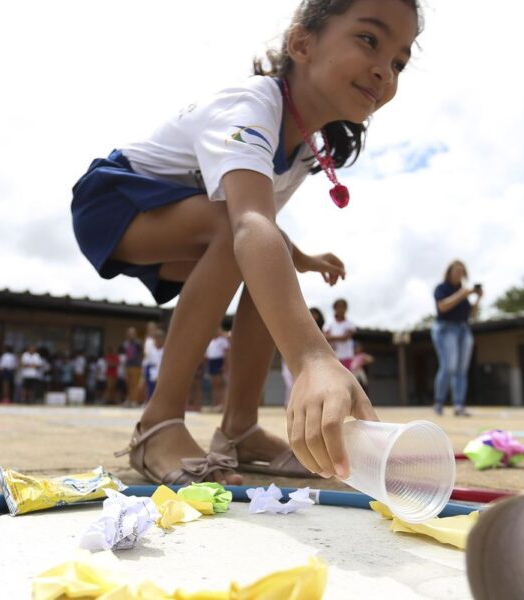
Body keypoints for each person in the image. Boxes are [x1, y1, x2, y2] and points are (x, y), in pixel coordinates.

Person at [70, 0, 419, 484]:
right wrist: (314, 359)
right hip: (114, 202)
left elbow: (257, 221)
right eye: (368, 40)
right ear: (302, 43)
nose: (385, 70)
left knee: (262, 266)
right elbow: (247, 222)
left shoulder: (304, 148)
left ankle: (239, 429)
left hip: (194, 214)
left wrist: (300, 256)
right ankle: (157, 423)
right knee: (237, 235)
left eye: (399, 61)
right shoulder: (251, 105)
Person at [432, 260, 481, 417]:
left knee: (461, 370)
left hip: (463, 329)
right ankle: (439, 402)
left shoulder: (464, 292)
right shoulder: (442, 288)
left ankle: (459, 405)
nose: (459, 273)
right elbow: (443, 307)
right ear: (450, 272)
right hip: (446, 329)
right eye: (456, 270)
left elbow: (472, 314)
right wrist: (462, 295)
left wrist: (478, 299)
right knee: (448, 367)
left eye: (461, 271)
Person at [282, 307, 325, 405]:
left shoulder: (322, 331)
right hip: (290, 359)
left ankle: (300, 404)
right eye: (311, 313)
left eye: (315, 314)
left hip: (307, 361)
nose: (313, 316)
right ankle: (289, 404)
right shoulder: (295, 328)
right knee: (289, 383)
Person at [323, 299, 356, 369]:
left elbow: (345, 338)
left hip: (346, 356)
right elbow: (325, 337)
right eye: (338, 307)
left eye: (342, 307)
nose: (340, 309)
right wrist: (340, 337)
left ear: (346, 309)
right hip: (332, 356)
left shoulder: (350, 324)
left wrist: (331, 337)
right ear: (335, 309)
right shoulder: (329, 323)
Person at [205, 328, 231, 410]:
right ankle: (215, 403)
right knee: (214, 385)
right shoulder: (211, 342)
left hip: (219, 361)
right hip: (212, 362)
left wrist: (225, 365)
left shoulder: (222, 341)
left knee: (220, 385)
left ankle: (222, 404)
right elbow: (208, 354)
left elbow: (226, 354)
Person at [122, 327, 145, 405]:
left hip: (136, 366)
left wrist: (141, 365)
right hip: (128, 365)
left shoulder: (138, 343)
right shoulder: (125, 344)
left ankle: (134, 400)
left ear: (135, 334)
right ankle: (129, 398)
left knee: (135, 384)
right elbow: (125, 356)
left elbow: (142, 354)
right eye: (129, 333)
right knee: (128, 384)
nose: (131, 335)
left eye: (133, 333)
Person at [143, 328, 166, 401]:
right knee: (150, 389)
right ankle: (148, 402)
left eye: (160, 338)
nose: (159, 340)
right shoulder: (150, 348)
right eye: (157, 338)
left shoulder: (166, 349)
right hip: (151, 371)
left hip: (163, 371)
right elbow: (146, 361)